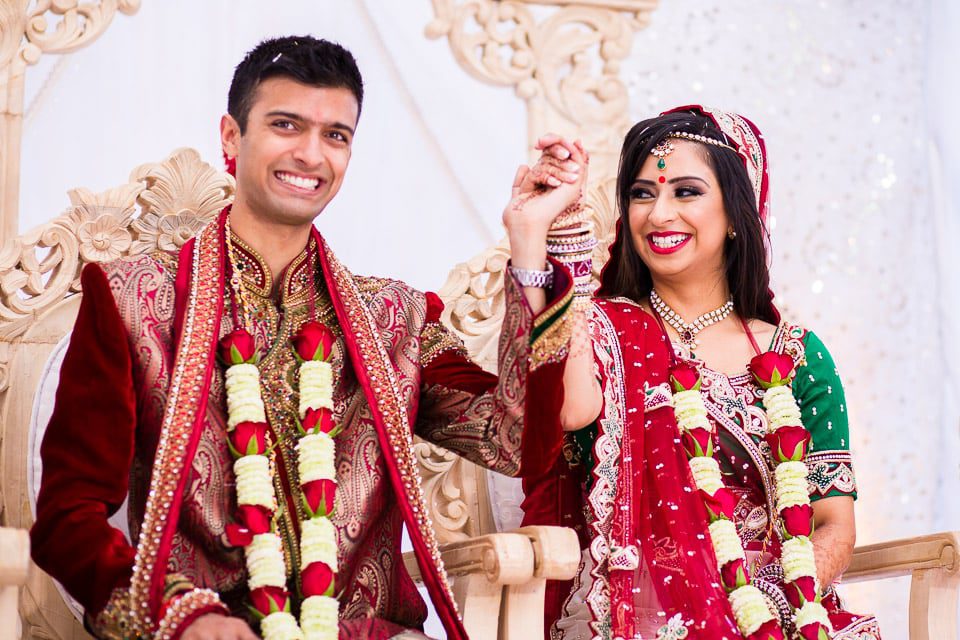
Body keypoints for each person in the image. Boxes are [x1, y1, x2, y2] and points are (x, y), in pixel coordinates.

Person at [30, 36, 585, 640]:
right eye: (286, 124)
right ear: (231, 138)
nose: (311, 154)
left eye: (336, 135)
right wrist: (182, 618)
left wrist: (531, 242)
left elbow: (512, 442)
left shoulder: (394, 319)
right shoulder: (133, 302)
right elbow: (68, 518)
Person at [521, 106, 881, 639]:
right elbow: (567, 407)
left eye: (685, 192)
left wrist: (770, 609)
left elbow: (833, 525)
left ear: (736, 213)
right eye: (642, 193)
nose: (658, 213)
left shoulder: (798, 356)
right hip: (645, 614)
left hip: (780, 614)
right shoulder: (605, 329)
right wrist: (535, 235)